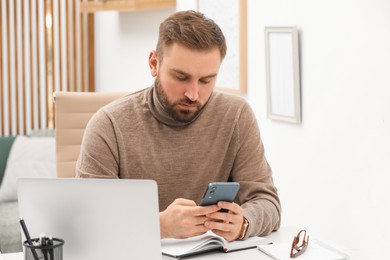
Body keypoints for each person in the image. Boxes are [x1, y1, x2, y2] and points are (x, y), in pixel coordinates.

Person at [76, 10, 281, 242]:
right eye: (181, 77)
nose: (193, 94)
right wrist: (158, 226)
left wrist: (244, 222)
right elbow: (88, 221)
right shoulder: (108, 126)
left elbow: (267, 202)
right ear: (154, 63)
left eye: (206, 80)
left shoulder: (236, 115)